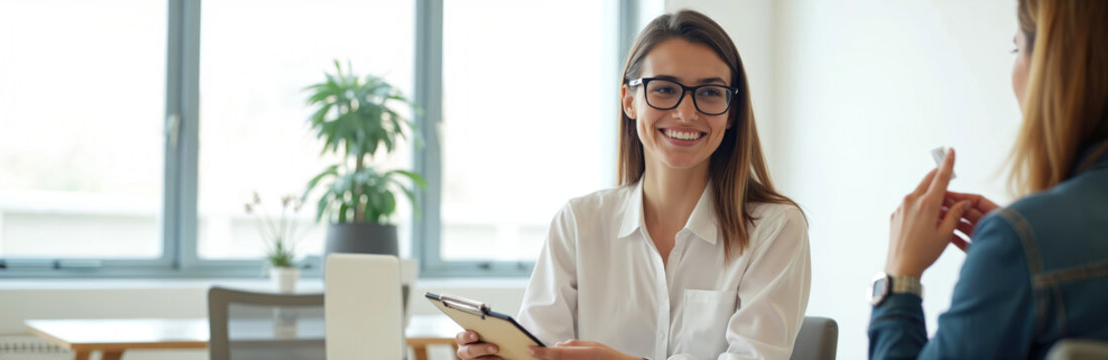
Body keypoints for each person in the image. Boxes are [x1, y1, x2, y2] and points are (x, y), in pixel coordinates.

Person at [455, 10, 811, 360]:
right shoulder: (578, 223)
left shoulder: (774, 228)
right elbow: (540, 351)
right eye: (665, 89)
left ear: (731, 112)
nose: (686, 113)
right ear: (629, 100)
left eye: (710, 93)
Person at [869, 0, 1108, 358]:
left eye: (1017, 48)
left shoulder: (1019, 241)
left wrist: (898, 278)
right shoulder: (1020, 238)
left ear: (1050, 65)